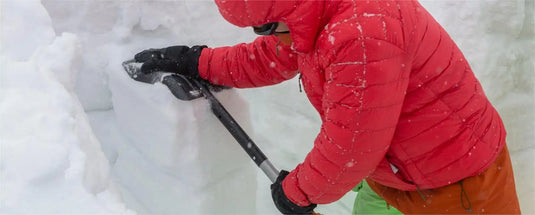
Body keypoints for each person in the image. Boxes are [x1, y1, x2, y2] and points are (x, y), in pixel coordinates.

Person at [132, 0, 521, 214]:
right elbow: (271, 57)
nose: (266, 35)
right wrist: (195, 62)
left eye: (266, 25)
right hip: (393, 177)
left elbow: (351, 148)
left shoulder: (363, 33)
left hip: (460, 189)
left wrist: (298, 193)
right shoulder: (322, 14)